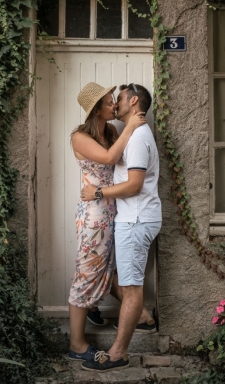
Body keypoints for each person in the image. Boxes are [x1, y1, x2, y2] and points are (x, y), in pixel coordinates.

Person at [80, 83, 161, 372]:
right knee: (120, 278)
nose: (116, 104)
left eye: (121, 99)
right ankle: (143, 319)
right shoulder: (130, 134)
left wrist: (98, 193)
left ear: (134, 101)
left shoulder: (138, 137)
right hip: (130, 218)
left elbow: (135, 184)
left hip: (136, 219)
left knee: (131, 287)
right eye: (110, 101)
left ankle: (118, 353)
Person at [66, 82, 148, 362]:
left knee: (108, 266)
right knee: (87, 271)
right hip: (93, 213)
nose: (114, 105)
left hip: (114, 208)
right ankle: (76, 344)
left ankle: (137, 313)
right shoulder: (79, 137)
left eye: (115, 100)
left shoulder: (111, 131)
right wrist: (131, 127)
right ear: (96, 110)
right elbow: (111, 158)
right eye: (108, 102)